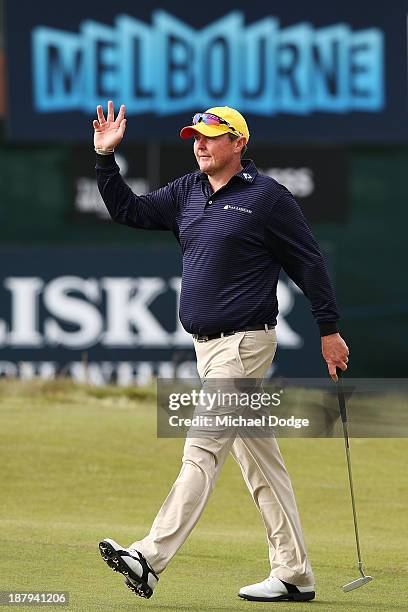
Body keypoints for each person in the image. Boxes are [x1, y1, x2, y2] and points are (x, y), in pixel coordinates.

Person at [94, 102, 349, 603]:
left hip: (244, 343)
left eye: (211, 137)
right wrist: (105, 159)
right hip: (206, 349)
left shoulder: (268, 198)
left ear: (239, 143)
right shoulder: (188, 190)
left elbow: (310, 262)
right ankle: (295, 573)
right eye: (196, 137)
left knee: (202, 447)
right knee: (261, 466)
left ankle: (148, 557)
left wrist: (329, 329)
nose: (200, 144)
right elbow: (130, 210)